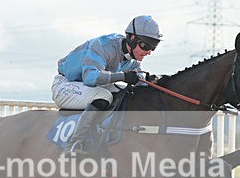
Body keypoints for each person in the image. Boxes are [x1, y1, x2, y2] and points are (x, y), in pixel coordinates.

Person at [52, 15, 162, 155]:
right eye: (145, 46)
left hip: (88, 88)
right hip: (66, 85)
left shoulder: (132, 60)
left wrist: (150, 81)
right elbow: (90, 78)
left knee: (125, 92)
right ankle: (73, 145)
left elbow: (138, 79)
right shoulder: (104, 46)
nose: (149, 52)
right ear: (131, 38)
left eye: (153, 47)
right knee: (103, 96)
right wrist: (123, 76)